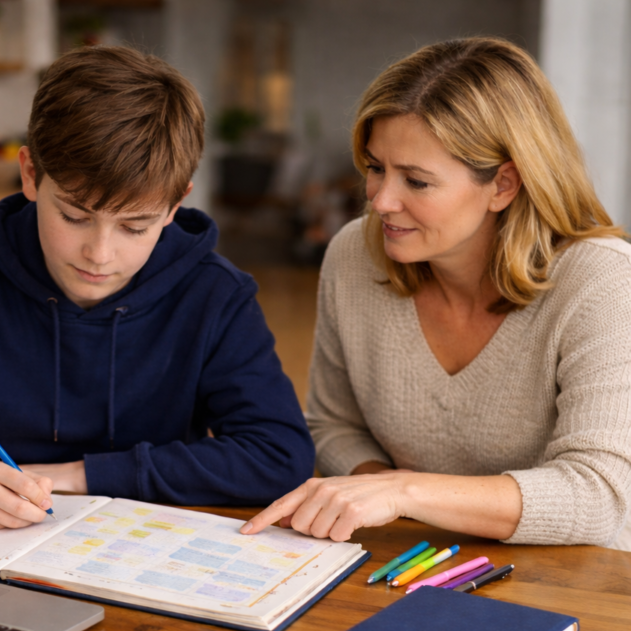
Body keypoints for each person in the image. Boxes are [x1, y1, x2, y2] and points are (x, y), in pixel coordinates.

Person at [0, 46, 315, 530]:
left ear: (174, 205)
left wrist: (80, 475)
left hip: (141, 552)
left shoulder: (215, 296)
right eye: (75, 217)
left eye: (135, 227)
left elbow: (278, 454)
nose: (99, 254)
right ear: (31, 174)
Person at [241, 37, 631, 550]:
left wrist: (403, 493)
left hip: (575, 583)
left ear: (503, 185)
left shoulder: (603, 282)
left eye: (417, 182)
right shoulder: (353, 257)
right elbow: (332, 426)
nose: (381, 201)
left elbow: (599, 495)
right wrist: (385, 503)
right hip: (412, 558)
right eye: (376, 168)